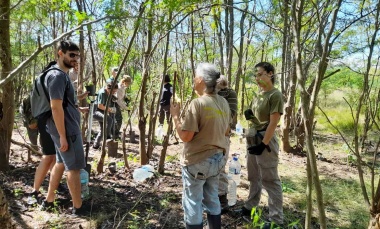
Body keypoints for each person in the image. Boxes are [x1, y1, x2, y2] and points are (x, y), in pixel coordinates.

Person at [170, 63, 230, 229]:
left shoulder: (198, 104)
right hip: (218, 159)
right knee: (212, 197)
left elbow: (185, 136)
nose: (193, 80)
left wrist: (175, 116)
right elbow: (226, 131)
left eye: (195, 77)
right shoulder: (223, 102)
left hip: (198, 161)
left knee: (193, 201)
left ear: (201, 80)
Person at [41, 40, 86, 215]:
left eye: (77, 55)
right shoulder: (57, 76)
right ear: (60, 53)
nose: (75, 58)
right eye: (71, 55)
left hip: (61, 127)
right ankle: (78, 208)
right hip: (66, 129)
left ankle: (49, 200)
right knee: (73, 168)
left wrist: (77, 108)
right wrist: (62, 135)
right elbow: (55, 106)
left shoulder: (58, 74)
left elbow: (64, 103)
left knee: (60, 163)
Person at [242, 62, 284, 229]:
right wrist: (250, 117)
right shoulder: (259, 95)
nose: (257, 78)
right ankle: (251, 205)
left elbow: (273, 123)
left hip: (265, 142)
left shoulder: (275, 95)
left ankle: (276, 220)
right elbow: (259, 122)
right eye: (256, 75)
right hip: (253, 139)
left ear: (271, 74)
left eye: (260, 74)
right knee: (253, 176)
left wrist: (264, 144)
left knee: (270, 179)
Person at [20, 92, 57, 199]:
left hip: (47, 123)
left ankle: (48, 186)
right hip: (49, 124)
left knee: (51, 157)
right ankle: (37, 190)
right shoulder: (46, 88)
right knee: (50, 157)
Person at [215, 75, 238, 212]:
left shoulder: (230, 94)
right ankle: (211, 196)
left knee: (220, 166)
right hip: (208, 136)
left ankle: (221, 198)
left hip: (222, 134)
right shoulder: (208, 94)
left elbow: (230, 114)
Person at [92, 77, 118, 149]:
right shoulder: (102, 93)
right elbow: (100, 106)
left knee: (103, 129)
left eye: (115, 92)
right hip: (96, 111)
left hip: (103, 111)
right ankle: (108, 137)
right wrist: (110, 109)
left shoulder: (108, 92)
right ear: (108, 88)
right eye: (113, 92)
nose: (113, 93)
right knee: (109, 120)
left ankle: (95, 145)